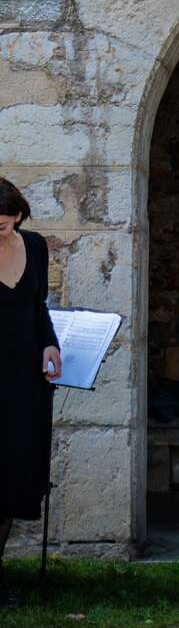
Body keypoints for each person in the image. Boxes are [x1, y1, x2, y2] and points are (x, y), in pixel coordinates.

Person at [0, 178, 61, 607]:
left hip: (24, 379)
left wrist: (50, 343)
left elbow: (38, 305)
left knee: (15, 476)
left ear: (18, 216)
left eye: (1, 225)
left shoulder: (36, 247)